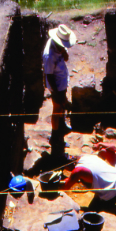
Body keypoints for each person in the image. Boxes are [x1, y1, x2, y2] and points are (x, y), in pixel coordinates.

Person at [43, 23, 77, 160]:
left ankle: (61, 128)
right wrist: (57, 95)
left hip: (61, 82)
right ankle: (55, 137)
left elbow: (66, 58)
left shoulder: (59, 47)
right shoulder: (49, 55)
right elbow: (49, 76)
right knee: (57, 109)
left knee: (61, 108)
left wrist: (64, 52)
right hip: (56, 85)